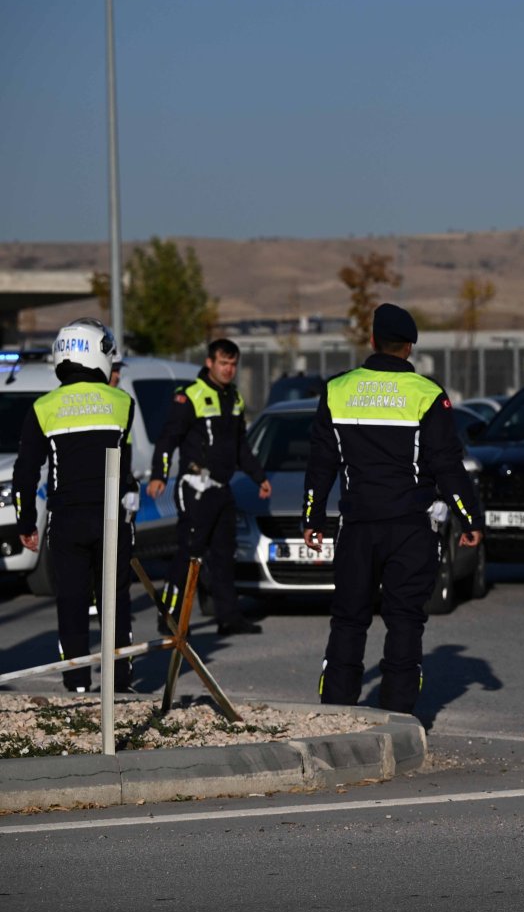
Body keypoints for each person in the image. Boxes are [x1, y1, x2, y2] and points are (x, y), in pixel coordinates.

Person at [302, 303, 483, 714]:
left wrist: (311, 517)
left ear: (372, 341)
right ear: (410, 347)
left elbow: (320, 464)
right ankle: (398, 717)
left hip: (357, 526)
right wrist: (469, 517)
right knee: (403, 619)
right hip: (409, 527)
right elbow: (446, 464)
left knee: (349, 619)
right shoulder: (427, 394)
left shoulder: (337, 390)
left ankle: (335, 715)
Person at [11, 319, 139, 692]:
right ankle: (120, 683)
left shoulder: (43, 406)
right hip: (111, 518)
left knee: (71, 602)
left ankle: (78, 684)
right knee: (114, 602)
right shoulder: (122, 403)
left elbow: (25, 471)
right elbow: (124, 462)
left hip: (66, 519)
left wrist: (24, 522)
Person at [148, 338, 271, 635]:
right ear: (209, 363)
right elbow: (168, 439)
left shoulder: (235, 399)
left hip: (221, 489)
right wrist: (159, 475)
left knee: (224, 554)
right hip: (195, 487)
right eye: (223, 363)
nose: (229, 369)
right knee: (189, 553)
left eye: (233, 364)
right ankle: (171, 616)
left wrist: (259, 477)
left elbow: (241, 446)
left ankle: (228, 617)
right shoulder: (190, 396)